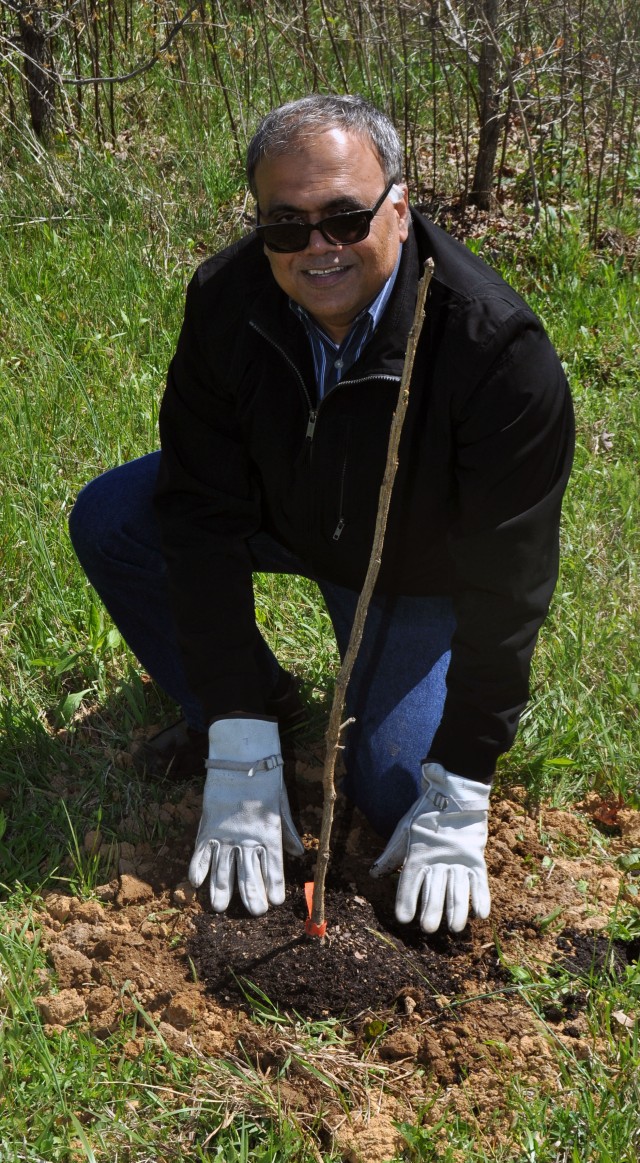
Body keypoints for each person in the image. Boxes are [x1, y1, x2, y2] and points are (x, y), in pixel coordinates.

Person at [69, 94, 574, 934]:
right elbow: (199, 510)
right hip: (281, 506)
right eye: (286, 226)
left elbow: (510, 583)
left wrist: (463, 782)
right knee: (116, 519)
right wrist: (236, 720)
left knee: (391, 790)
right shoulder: (227, 300)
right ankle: (264, 706)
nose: (319, 248)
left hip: (411, 570)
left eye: (345, 218)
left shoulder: (494, 351)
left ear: (400, 209)